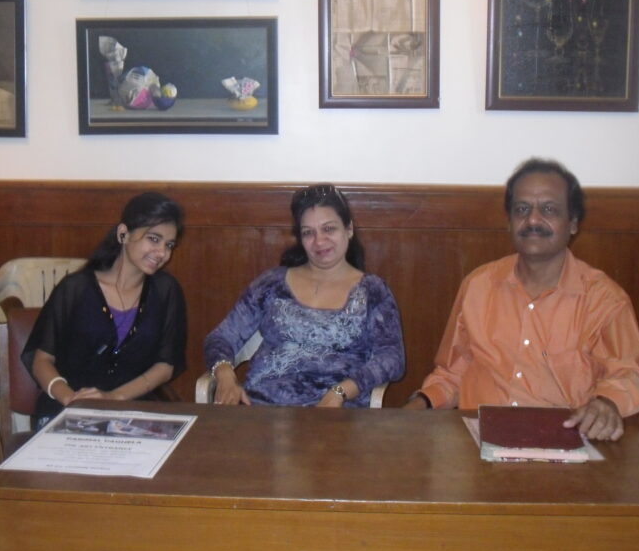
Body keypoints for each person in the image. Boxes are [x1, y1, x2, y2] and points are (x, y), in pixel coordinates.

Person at [405, 159, 639, 441]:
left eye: (549, 209)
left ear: (573, 223)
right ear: (509, 222)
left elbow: (629, 376)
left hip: (563, 441)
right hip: (479, 443)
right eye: (522, 209)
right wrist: (420, 404)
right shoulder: (478, 286)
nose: (533, 220)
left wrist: (607, 403)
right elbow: (453, 372)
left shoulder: (604, 299)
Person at [204, 184, 404, 407]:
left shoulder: (372, 291)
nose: (319, 241)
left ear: (348, 229)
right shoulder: (271, 284)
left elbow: (391, 358)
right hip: (261, 410)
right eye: (308, 232)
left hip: (335, 414)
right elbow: (221, 337)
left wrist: (341, 391)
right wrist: (224, 374)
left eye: (329, 229)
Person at [22, 192, 186, 430]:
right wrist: (71, 399)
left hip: (133, 408)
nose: (162, 253)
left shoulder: (166, 292)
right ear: (123, 234)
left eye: (169, 245)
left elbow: (165, 365)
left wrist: (114, 398)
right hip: (67, 406)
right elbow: (41, 360)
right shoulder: (76, 289)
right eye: (153, 239)